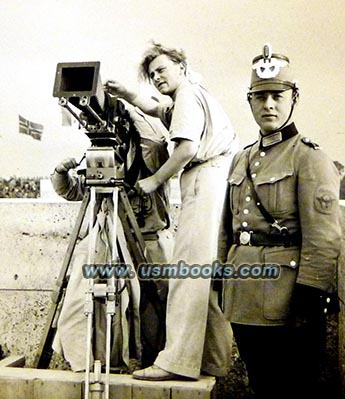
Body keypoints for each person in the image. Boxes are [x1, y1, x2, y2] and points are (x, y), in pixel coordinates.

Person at [104, 42, 238, 380]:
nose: (157, 77)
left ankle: (175, 361)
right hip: (216, 179)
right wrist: (128, 93)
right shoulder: (191, 96)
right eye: (152, 74)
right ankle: (214, 361)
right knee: (204, 278)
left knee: (187, 276)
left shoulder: (189, 96)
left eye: (162, 69)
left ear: (181, 65)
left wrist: (154, 180)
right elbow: (156, 108)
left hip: (204, 179)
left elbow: (186, 148)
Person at [221, 44, 342, 398]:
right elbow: (226, 227)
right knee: (260, 385)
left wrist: (309, 294)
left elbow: (325, 236)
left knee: (292, 389)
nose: (269, 105)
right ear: (250, 102)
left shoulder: (310, 157)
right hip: (243, 294)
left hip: (288, 300)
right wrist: (220, 275)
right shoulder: (241, 159)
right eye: (260, 97)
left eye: (277, 95)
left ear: (294, 98)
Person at [51, 102, 173, 372]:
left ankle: (153, 362)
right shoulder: (104, 157)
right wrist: (60, 173)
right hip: (113, 241)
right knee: (109, 305)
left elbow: (154, 142)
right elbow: (74, 191)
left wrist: (128, 107)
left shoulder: (149, 157)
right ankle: (107, 361)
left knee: (153, 306)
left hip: (147, 240)